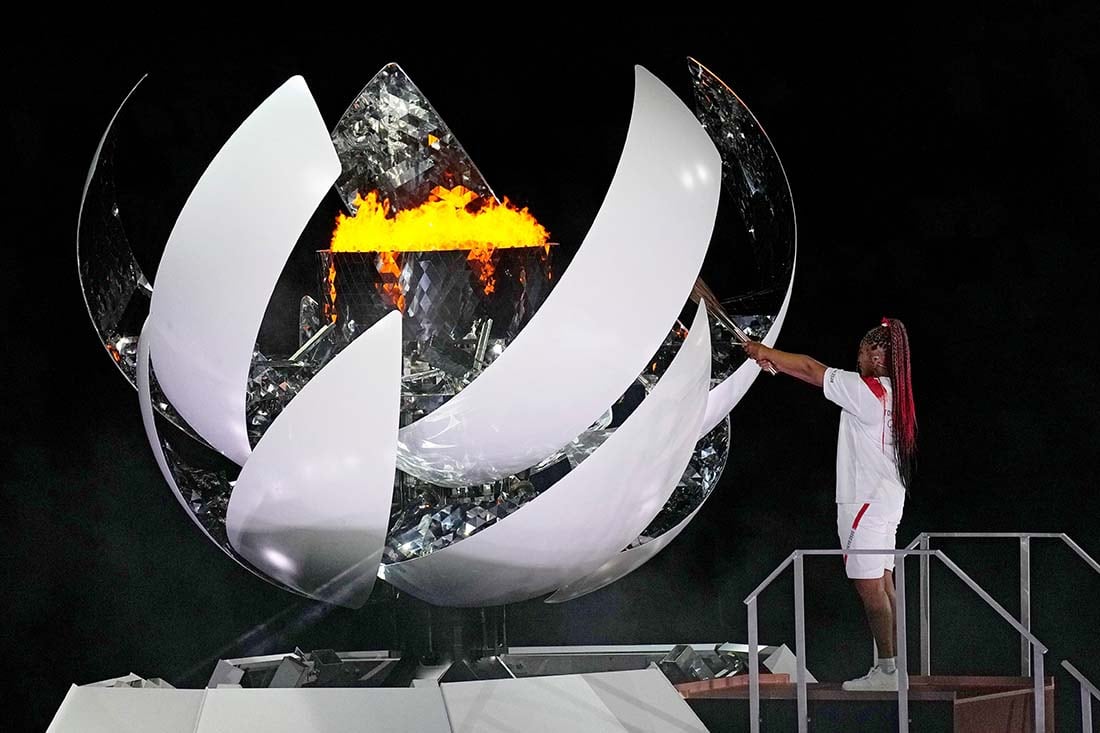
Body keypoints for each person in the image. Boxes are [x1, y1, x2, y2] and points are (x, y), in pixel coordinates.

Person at [742, 318, 917, 691]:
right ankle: (894, 668)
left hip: (864, 503)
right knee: (883, 584)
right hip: (886, 500)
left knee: (871, 588)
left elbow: (811, 368)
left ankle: (887, 672)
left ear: (874, 354)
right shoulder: (892, 394)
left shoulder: (868, 391)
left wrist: (764, 351)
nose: (857, 360)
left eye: (860, 353)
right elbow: (811, 376)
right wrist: (775, 361)